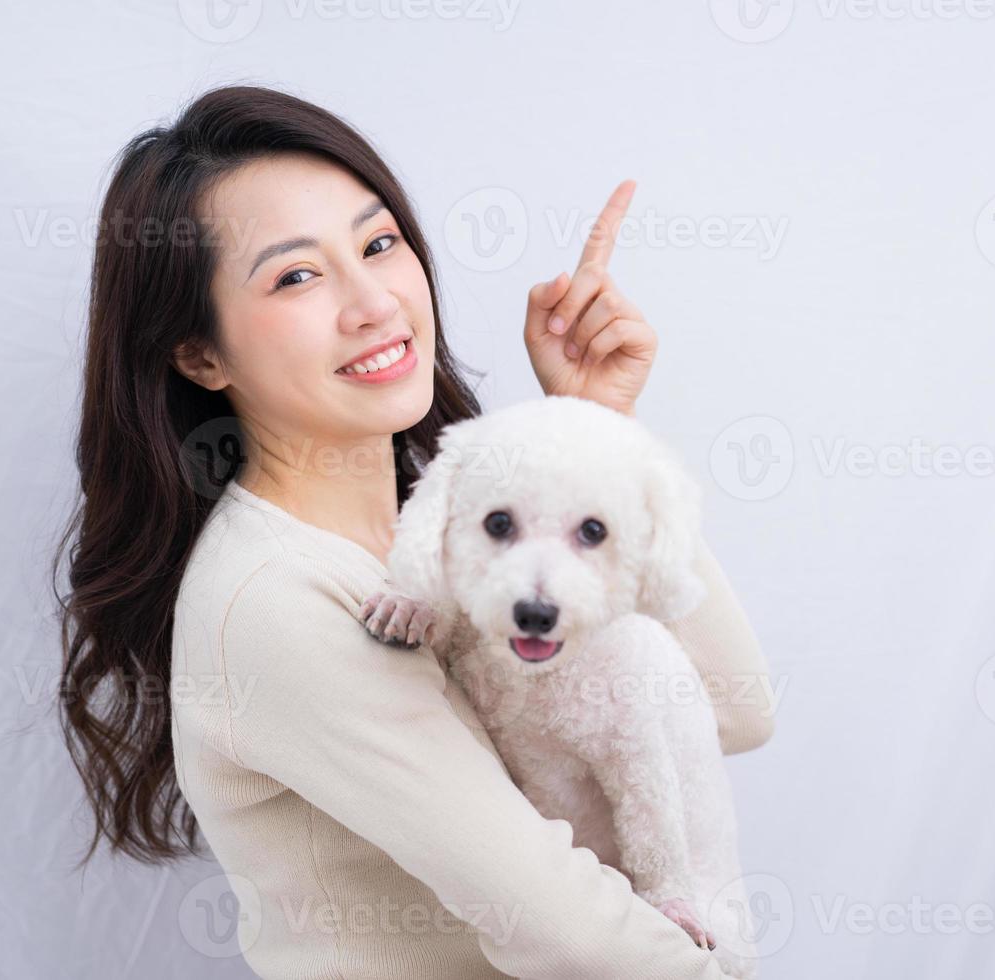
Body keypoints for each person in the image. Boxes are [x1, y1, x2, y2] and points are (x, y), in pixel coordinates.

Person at [55, 83, 776, 979]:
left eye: (379, 243)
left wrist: (597, 436)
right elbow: (563, 928)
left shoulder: (466, 539)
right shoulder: (277, 598)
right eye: (297, 275)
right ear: (200, 355)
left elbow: (729, 710)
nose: (374, 303)